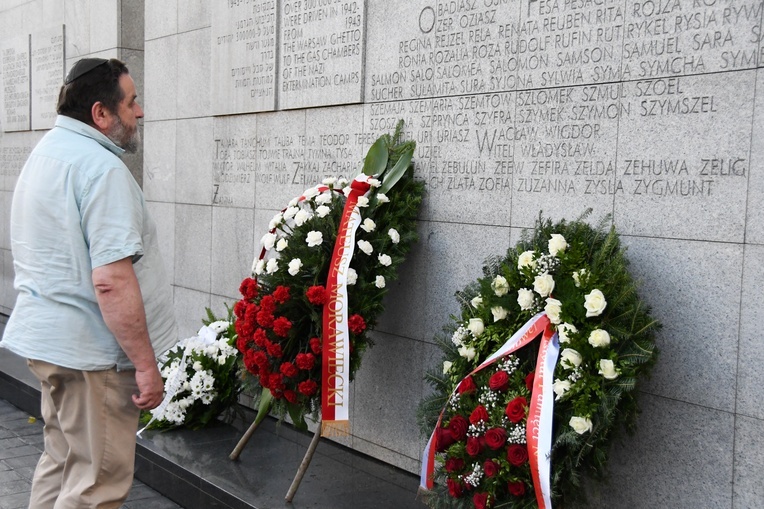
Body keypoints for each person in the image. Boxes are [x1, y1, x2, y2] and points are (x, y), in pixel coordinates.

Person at [1, 57, 177, 508]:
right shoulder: (101, 170)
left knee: (61, 464)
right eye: (132, 101)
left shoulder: (47, 153)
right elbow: (111, 281)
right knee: (96, 485)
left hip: (54, 348)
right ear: (101, 113)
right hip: (93, 359)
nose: (139, 112)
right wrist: (144, 365)